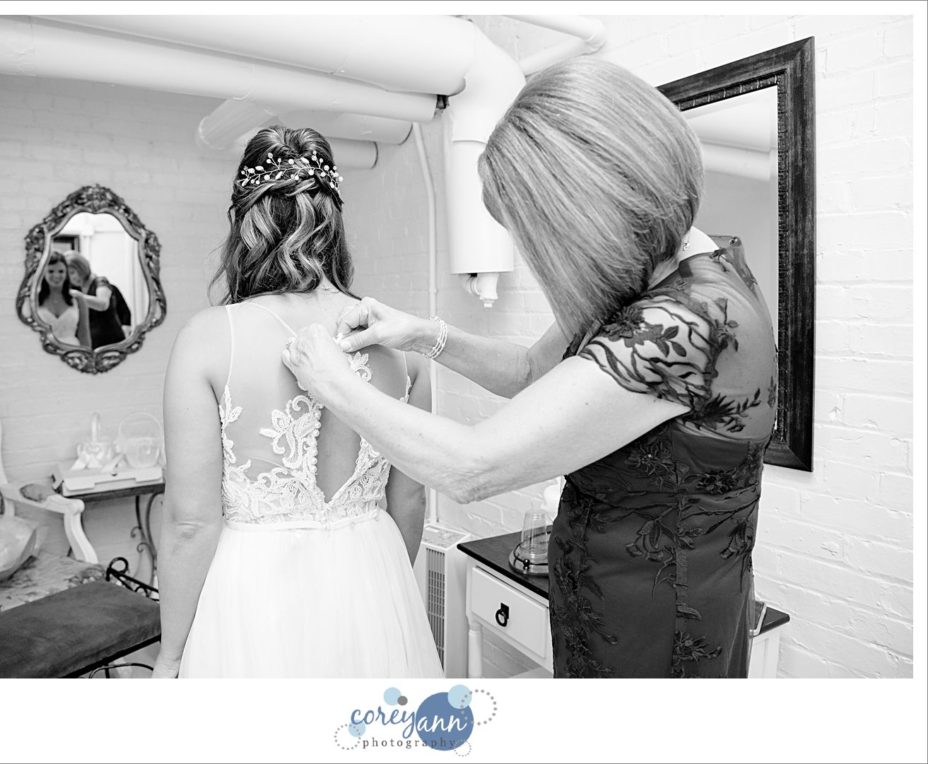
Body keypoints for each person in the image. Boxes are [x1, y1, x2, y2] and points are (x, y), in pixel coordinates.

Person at [282, 57, 777, 678]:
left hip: (657, 629)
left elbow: (471, 467)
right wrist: (423, 335)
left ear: (586, 212)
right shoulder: (659, 268)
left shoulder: (681, 324)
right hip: (606, 597)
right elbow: (527, 370)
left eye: (531, 233)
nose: (531, 253)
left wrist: (331, 382)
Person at [152, 126, 442, 678]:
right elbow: (409, 504)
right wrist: (382, 602)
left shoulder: (209, 337)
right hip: (373, 580)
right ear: (334, 221)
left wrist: (170, 655)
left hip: (255, 599)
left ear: (246, 223)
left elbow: (191, 524)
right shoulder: (400, 340)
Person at [65, 253, 127, 348]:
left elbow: (102, 304)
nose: (72, 277)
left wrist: (77, 296)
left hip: (110, 342)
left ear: (82, 268)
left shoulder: (100, 282)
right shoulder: (77, 288)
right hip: (90, 343)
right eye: (68, 275)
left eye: (73, 272)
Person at [36, 252, 90, 347]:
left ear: (66, 273)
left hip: (72, 354)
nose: (56, 276)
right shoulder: (34, 299)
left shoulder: (78, 298)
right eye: (51, 271)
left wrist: (87, 358)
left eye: (61, 271)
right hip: (43, 352)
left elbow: (84, 335)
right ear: (43, 273)